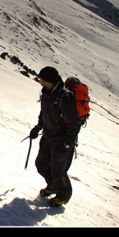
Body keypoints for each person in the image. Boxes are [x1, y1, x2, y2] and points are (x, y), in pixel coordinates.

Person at [29, 66, 81, 207]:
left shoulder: (65, 97)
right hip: (48, 136)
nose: (39, 79)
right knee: (41, 164)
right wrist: (38, 127)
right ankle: (53, 186)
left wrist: (67, 144)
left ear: (47, 79)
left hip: (61, 140)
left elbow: (74, 124)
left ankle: (64, 195)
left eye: (41, 78)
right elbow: (44, 112)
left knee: (58, 171)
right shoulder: (46, 92)